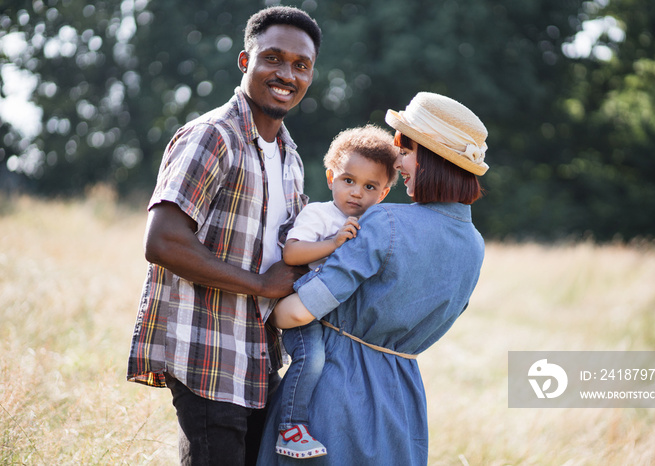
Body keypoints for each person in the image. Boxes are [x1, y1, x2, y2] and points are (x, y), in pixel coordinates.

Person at [126, 6, 322, 466]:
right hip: (209, 356)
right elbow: (163, 241)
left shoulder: (289, 156)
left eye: (301, 65)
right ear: (244, 61)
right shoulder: (214, 136)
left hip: (259, 359)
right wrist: (259, 285)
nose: (286, 74)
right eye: (272, 58)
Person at [256, 91, 490, 465]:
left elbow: (298, 314)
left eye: (406, 147)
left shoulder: (384, 222)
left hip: (333, 394)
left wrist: (265, 300)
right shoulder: (476, 246)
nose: (398, 158)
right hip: (403, 401)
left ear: (432, 158)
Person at [274, 125, 398, 459]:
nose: (357, 192)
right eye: (348, 180)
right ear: (331, 178)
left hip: (336, 317)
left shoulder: (375, 224)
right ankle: (290, 427)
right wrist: (333, 243)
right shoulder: (320, 214)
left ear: (383, 193)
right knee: (311, 357)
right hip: (303, 307)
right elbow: (292, 253)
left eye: (369, 186)